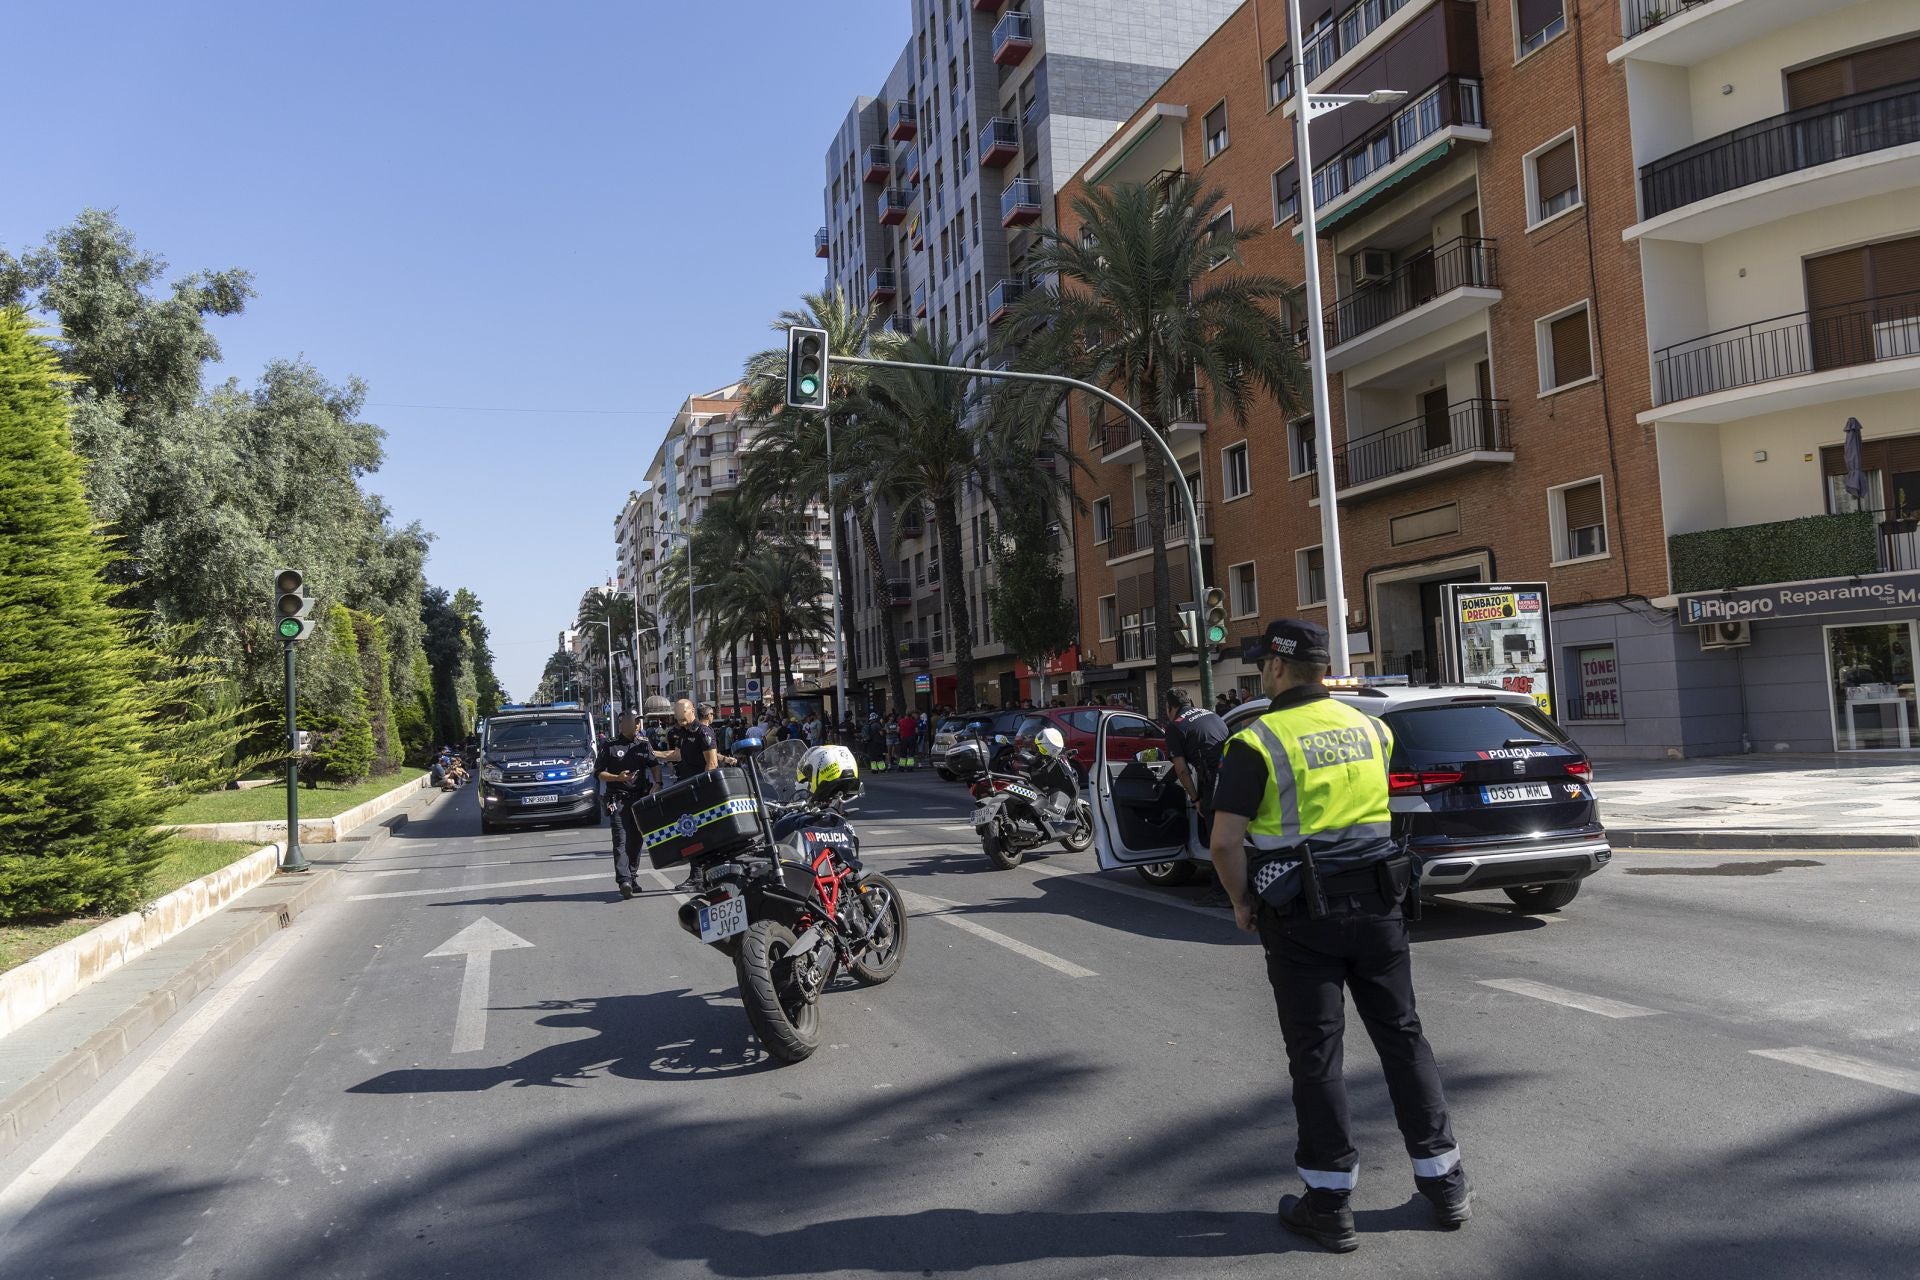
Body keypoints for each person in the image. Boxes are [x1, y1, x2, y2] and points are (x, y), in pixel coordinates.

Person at [1208, 619, 1469, 1253]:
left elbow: (1223, 841)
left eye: (1260, 664)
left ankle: (1328, 1203)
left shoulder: (1256, 741)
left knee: (1317, 1055)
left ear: (1275, 667)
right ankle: (1445, 1184)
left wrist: (1242, 902)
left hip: (1302, 916)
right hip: (1380, 904)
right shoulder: (1372, 728)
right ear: (1323, 668)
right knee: (1403, 1037)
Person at [595, 712, 658, 899]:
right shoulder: (610, 745)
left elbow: (654, 765)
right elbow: (598, 773)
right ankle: (624, 881)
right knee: (620, 840)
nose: (636, 725)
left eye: (638, 722)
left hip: (639, 799)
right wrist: (617, 778)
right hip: (618, 799)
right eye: (633, 722)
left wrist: (658, 783)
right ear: (623, 725)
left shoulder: (643, 744)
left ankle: (632, 876)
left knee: (636, 841)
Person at [1163, 687, 1229, 837]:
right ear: (1189, 701)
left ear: (1169, 707)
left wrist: (1196, 799)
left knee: (1218, 840)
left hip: (1214, 784)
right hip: (1236, 775)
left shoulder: (1175, 727)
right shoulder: (1211, 714)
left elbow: (1182, 770)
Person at [657, 697, 733, 784]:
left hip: (699, 786)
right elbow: (677, 755)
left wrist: (702, 786)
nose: (679, 716)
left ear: (692, 711)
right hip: (686, 782)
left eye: (683, 712)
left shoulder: (703, 732)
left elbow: (712, 764)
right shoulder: (683, 731)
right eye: (677, 713)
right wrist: (653, 753)